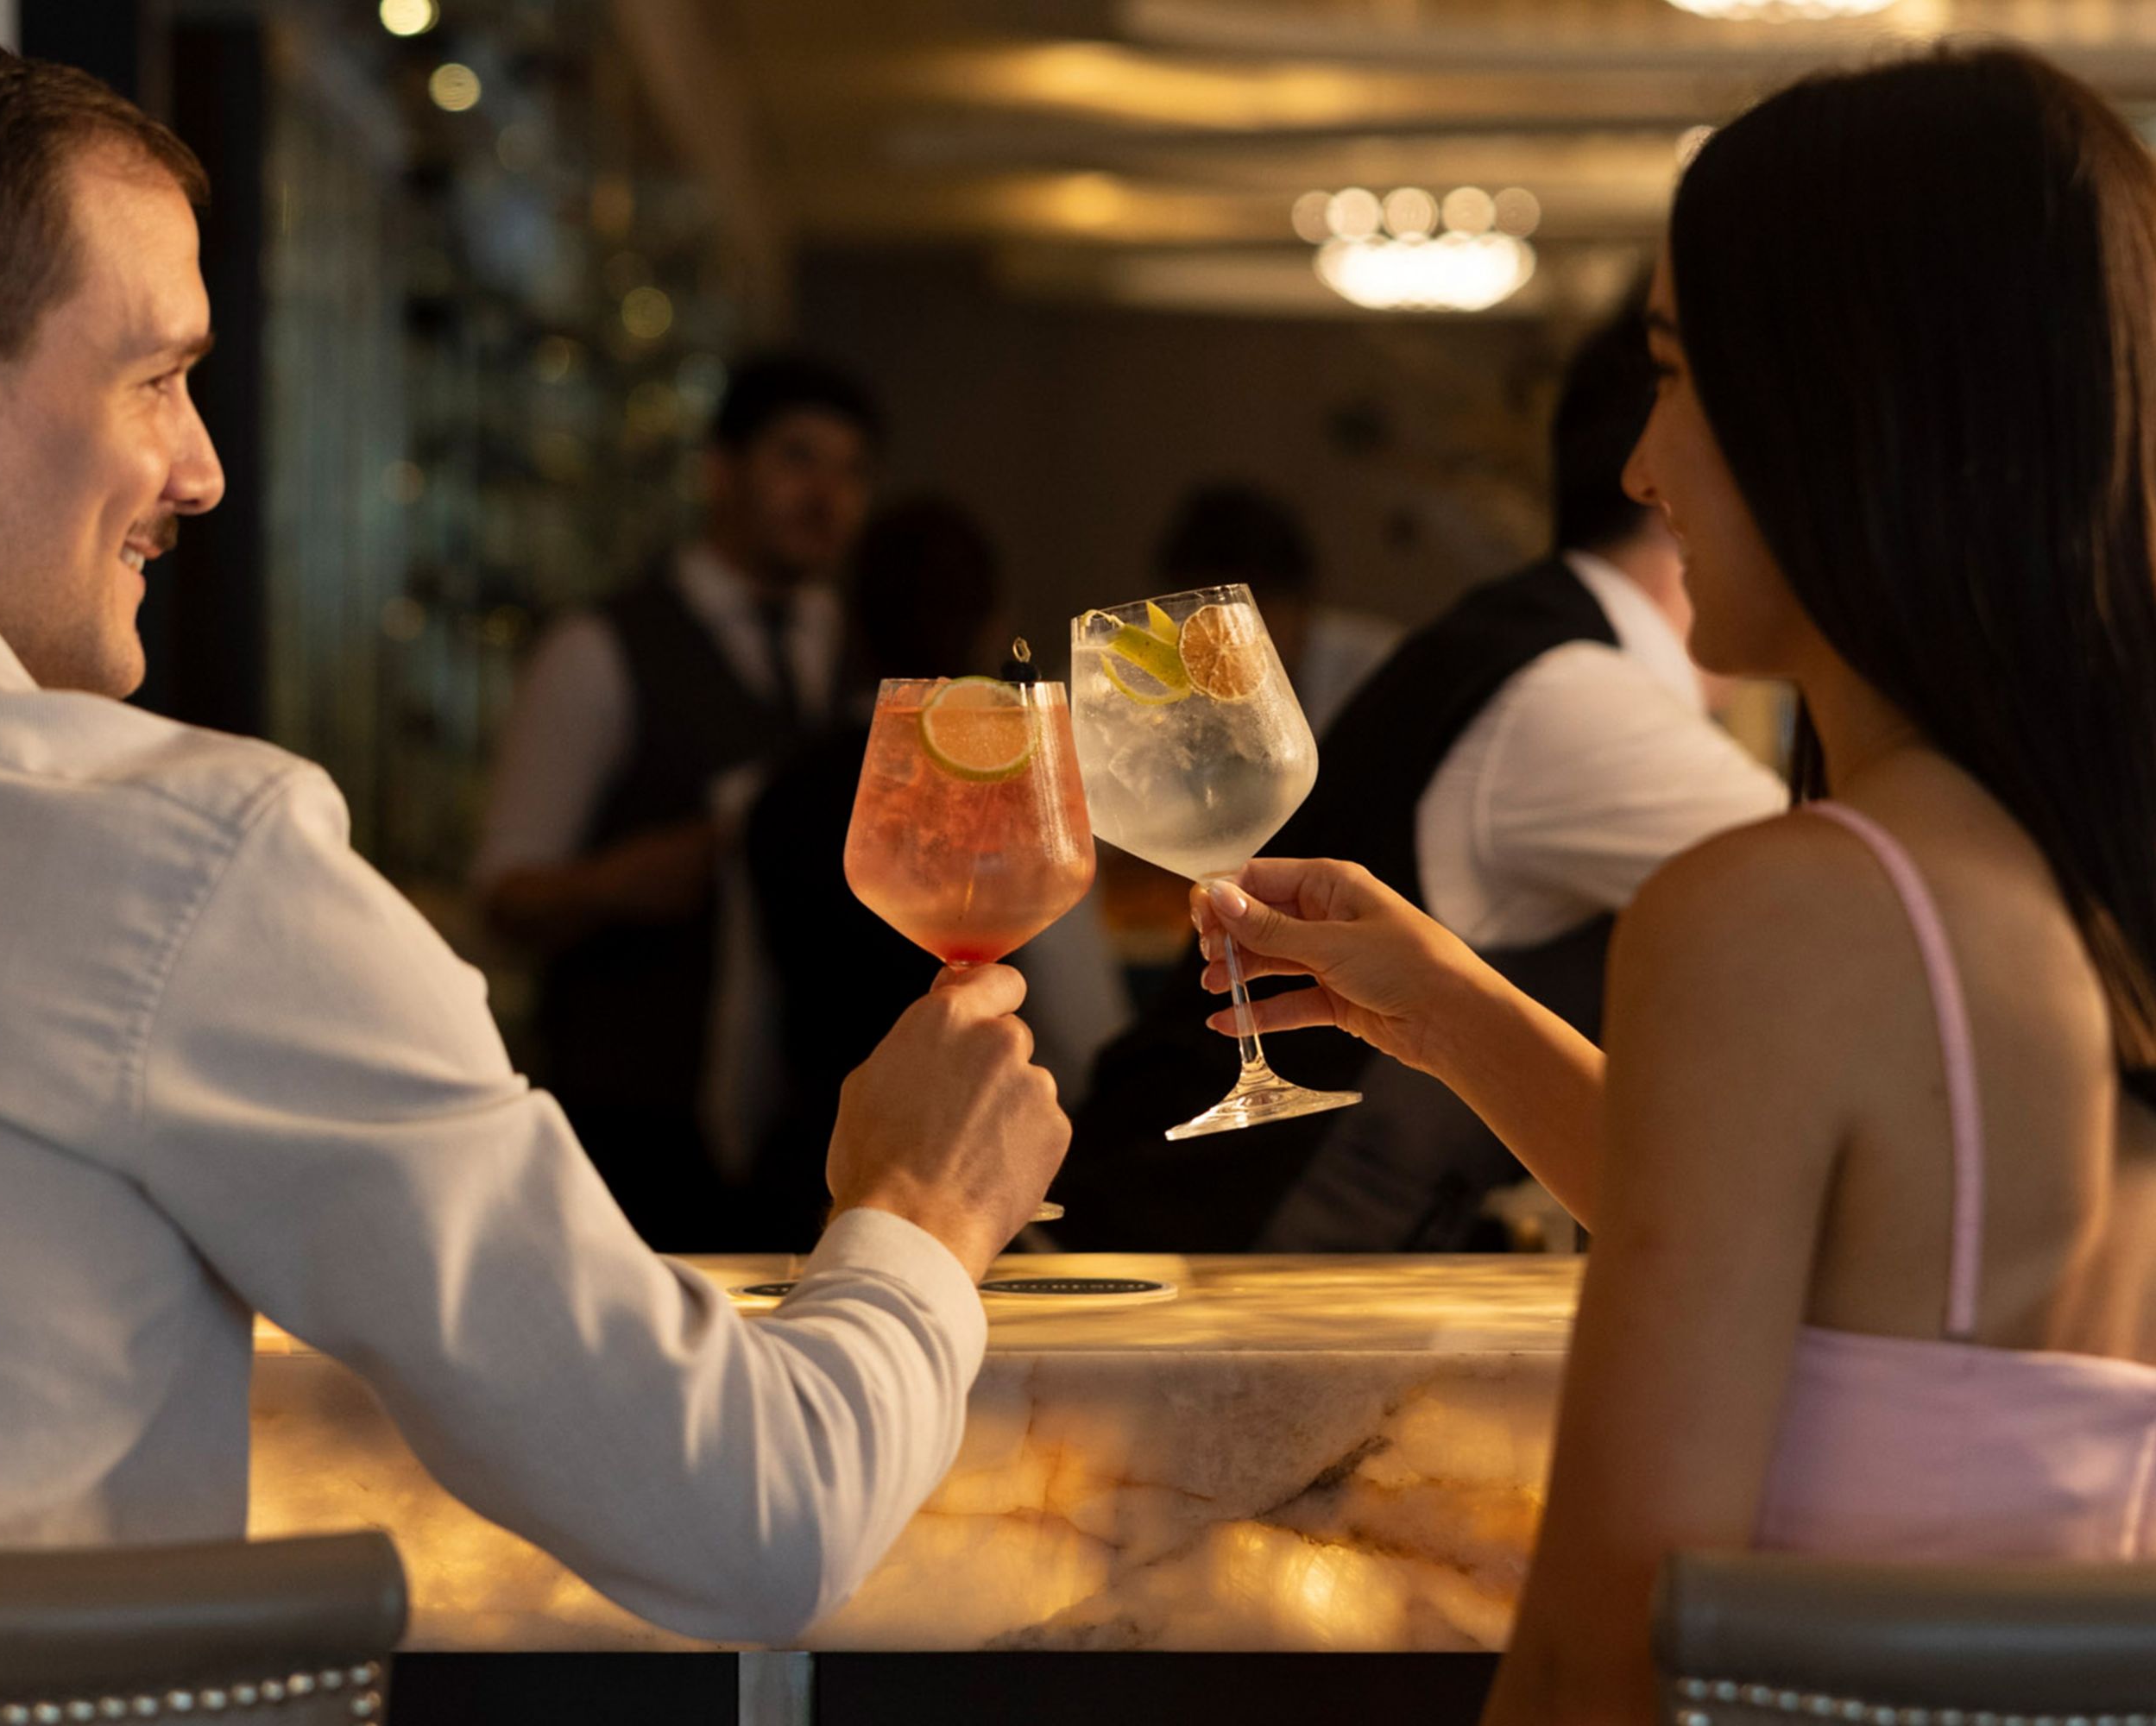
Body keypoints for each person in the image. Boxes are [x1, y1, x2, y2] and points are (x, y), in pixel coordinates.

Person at [0, 21, 1068, 1648]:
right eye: (160, 377)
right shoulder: (177, 855)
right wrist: (916, 1205)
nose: (200, 469)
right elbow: (756, 1515)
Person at [1187, 44, 2156, 1722]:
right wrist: (1468, 1018)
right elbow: (1900, 1296)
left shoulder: (1785, 915)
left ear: (1858, 409)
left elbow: (1599, 1659)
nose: (1638, 467)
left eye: (1681, 377)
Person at [1056, 306, 1782, 1251]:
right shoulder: (1571, 695)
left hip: (1239, 1241)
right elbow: (1854, 914)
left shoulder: (1528, 645)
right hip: (1210, 1254)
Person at [475, 353, 878, 1245]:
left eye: (850, 471)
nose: (827, 495)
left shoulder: (861, 651)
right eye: (798, 459)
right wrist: (619, 882)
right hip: (638, 1129)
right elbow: (504, 893)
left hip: (812, 1134)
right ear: (718, 471)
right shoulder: (599, 649)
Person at [743, 497, 1129, 1247]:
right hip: (971, 1211)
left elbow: (742, 1043)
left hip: (801, 1188)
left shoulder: (772, 793)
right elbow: (1085, 1028)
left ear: (852, 628)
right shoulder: (1019, 770)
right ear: (993, 620)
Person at [1150, 480, 1402, 734]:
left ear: (1302, 602)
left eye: (1243, 616)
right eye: (1201, 619)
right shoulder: (1169, 697)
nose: (1226, 640)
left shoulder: (1381, 670)